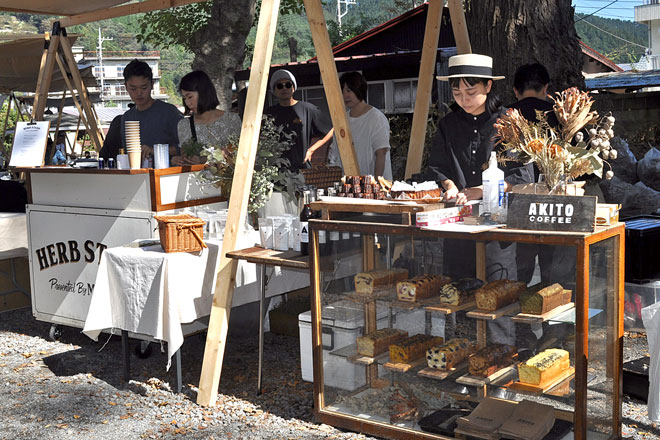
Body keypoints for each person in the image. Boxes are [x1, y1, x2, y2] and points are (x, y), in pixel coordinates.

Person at [99, 59, 182, 164]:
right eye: (133, 89)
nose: (139, 93)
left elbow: (186, 148)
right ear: (126, 87)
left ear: (152, 84)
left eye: (144, 87)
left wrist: (153, 150)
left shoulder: (169, 112)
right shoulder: (127, 117)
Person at [326, 71, 393, 179]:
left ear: (359, 89)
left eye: (349, 90)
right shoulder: (342, 121)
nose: (345, 95)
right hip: (348, 186)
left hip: (375, 187)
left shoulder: (376, 118)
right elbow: (335, 155)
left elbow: (381, 154)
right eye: (342, 91)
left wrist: (376, 185)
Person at [264, 69, 333, 170]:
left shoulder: (308, 109)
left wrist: (312, 149)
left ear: (293, 87)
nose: (284, 88)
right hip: (276, 171)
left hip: (302, 169)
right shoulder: (268, 113)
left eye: (288, 85)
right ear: (274, 90)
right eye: (279, 86)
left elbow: (331, 129)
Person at [174, 70, 242, 165]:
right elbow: (186, 157)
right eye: (184, 98)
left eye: (190, 97)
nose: (188, 103)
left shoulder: (232, 120)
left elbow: (240, 156)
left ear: (203, 93)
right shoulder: (184, 125)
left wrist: (206, 160)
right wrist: (179, 160)